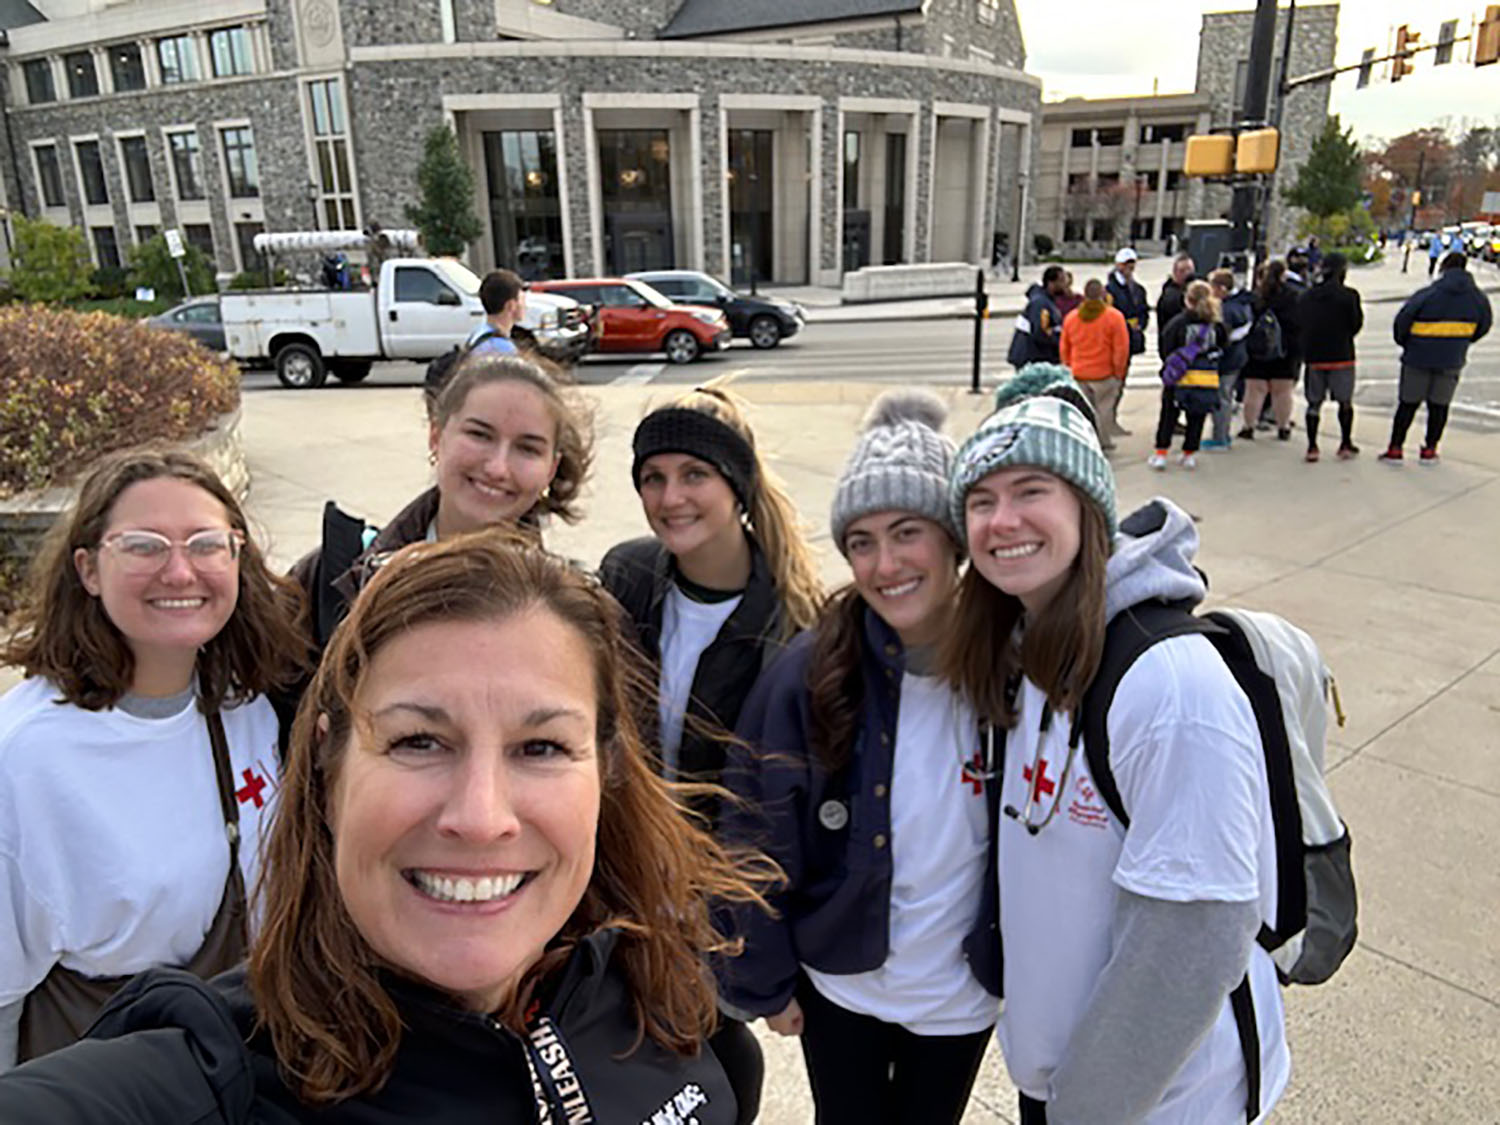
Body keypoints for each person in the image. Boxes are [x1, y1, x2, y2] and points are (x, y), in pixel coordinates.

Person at [0, 532, 770, 1122]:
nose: (480, 816)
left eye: (540, 746)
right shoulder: (212, 1084)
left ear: (604, 768)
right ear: (330, 770)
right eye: (417, 741)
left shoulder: (665, 1001)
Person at [940, 368, 1289, 1124]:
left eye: (1031, 489)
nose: (1003, 520)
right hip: (1067, 1083)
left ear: (1088, 505)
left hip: (1154, 1103)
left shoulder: (1170, 685)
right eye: (981, 499)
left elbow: (1189, 943)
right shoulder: (1028, 648)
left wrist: (1083, 1108)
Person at [721, 391, 999, 1125]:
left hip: (959, 997)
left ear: (954, 538)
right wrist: (765, 978)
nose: (885, 564)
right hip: (840, 984)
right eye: (863, 541)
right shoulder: (811, 673)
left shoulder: (1017, 668)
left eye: (907, 532)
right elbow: (754, 831)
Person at [0, 448, 305, 1069]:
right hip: (110, 1081)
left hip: (243, 1060)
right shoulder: (27, 755)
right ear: (87, 569)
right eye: (143, 546)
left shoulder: (244, 706)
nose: (179, 571)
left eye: (205, 544)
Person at [598, 379, 825, 1122]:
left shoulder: (794, 626)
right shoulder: (627, 578)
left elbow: (802, 806)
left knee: (711, 1051)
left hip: (718, 898)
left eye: (693, 474)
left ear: (737, 485)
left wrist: (779, 951)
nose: (671, 497)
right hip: (624, 878)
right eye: (653, 478)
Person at [293, 352, 592, 649]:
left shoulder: (577, 617)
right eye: (479, 435)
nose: (497, 468)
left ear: (551, 469)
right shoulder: (330, 577)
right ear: (436, 437)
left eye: (527, 449)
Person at [1380, 251, 1493, 465]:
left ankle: (1395, 449)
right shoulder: (1478, 298)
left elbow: (1403, 321)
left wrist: (1408, 343)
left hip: (1418, 356)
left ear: (1443, 268)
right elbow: (1484, 325)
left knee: (1408, 404)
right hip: (1451, 358)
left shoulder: (1428, 294)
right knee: (1439, 406)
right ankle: (1430, 450)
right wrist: (1462, 341)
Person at [1151, 280, 1227, 471]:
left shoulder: (1178, 323)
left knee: (1169, 414)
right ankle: (1189, 454)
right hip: (1205, 376)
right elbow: (1224, 346)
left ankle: (1161, 453)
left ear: (1188, 300)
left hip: (1179, 375)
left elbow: (1165, 347)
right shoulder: (1215, 325)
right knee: (1197, 416)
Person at [1297, 252, 1364, 463]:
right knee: (1345, 401)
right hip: (1341, 354)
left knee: (1314, 403)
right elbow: (1355, 324)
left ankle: (1312, 446)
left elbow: (1301, 324)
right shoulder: (1349, 296)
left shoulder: (1307, 296)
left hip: (1315, 355)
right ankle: (1345, 443)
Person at [1060, 280, 1130, 452]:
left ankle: (1085, 439)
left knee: (1084, 411)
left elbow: (1064, 347)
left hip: (1079, 372)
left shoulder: (1072, 318)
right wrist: (1118, 372)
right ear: (1103, 294)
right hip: (1104, 374)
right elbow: (1121, 348)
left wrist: (1069, 367)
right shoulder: (1114, 317)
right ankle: (1102, 441)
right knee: (1103, 411)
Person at [1239, 260, 1303, 442]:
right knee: (1282, 391)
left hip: (1257, 350)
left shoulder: (1256, 297)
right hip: (1285, 349)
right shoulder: (1293, 296)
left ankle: (1248, 426)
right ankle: (1283, 427)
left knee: (1254, 390)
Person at [1203, 268, 1253, 451]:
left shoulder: (1226, 310)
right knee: (1226, 395)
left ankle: (1220, 436)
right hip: (1238, 357)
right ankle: (1222, 435)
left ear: (1221, 289)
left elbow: (1221, 336)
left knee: (1221, 397)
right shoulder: (1243, 304)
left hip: (1226, 359)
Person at [1008, 265, 1067, 369]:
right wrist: (1060, 343)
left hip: (1032, 355)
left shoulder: (1045, 301)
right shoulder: (1041, 304)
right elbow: (1041, 332)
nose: (1065, 284)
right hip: (1031, 358)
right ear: (1051, 283)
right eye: (1061, 280)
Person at [1106, 247, 1150, 363]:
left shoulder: (1138, 289)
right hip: (1117, 336)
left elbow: (1143, 310)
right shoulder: (1110, 290)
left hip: (1132, 336)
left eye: (1131, 264)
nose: (1129, 268)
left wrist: (1141, 324)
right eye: (1126, 264)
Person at [466, 268, 525, 356]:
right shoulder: (503, 349)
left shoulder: (478, 334)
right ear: (511, 305)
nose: (525, 306)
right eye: (522, 300)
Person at [1155, 254, 1195, 354]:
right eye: (1183, 271)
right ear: (1175, 273)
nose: (1187, 274)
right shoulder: (1170, 296)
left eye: (1190, 270)